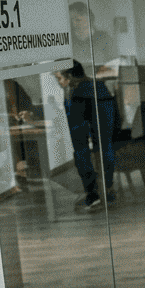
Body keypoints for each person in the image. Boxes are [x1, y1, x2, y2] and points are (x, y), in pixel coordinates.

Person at [55, 62, 116, 214]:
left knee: (80, 153)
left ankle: (93, 196)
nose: (59, 82)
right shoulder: (100, 86)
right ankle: (107, 191)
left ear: (69, 77)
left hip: (91, 141)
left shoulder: (74, 92)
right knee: (104, 148)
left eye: (59, 78)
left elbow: (77, 135)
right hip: (109, 142)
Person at [68, 1, 116, 79]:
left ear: (89, 18)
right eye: (71, 20)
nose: (74, 23)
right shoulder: (69, 41)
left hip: (100, 84)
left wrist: (92, 77)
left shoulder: (104, 38)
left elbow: (115, 69)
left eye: (78, 19)